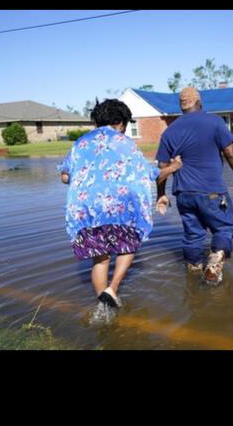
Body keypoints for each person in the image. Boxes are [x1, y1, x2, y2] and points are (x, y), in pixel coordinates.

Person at [57, 99, 181, 308]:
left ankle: (103, 306)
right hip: (120, 210)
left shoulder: (81, 143)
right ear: (122, 122)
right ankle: (112, 288)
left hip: (88, 211)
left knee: (99, 259)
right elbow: (149, 173)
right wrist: (174, 166)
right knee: (128, 245)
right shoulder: (125, 143)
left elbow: (65, 177)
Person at [155, 87, 233, 285]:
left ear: (181, 107)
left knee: (192, 235)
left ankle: (193, 270)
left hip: (183, 194)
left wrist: (161, 195)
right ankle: (215, 259)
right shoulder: (215, 122)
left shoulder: (169, 132)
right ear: (199, 102)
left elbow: (162, 169)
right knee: (224, 228)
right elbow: (231, 153)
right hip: (212, 191)